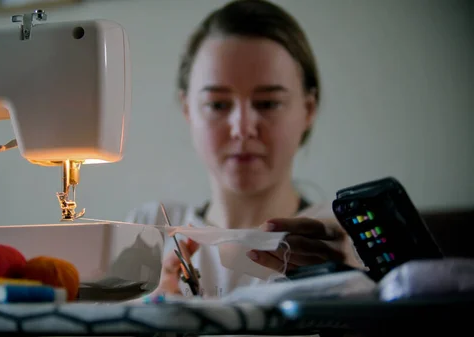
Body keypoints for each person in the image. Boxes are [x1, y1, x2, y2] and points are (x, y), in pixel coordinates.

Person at [126, 0, 363, 298]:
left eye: (267, 104)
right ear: (188, 110)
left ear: (309, 109)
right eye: (217, 105)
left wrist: (358, 292)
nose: (242, 127)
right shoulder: (148, 231)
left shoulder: (352, 240)